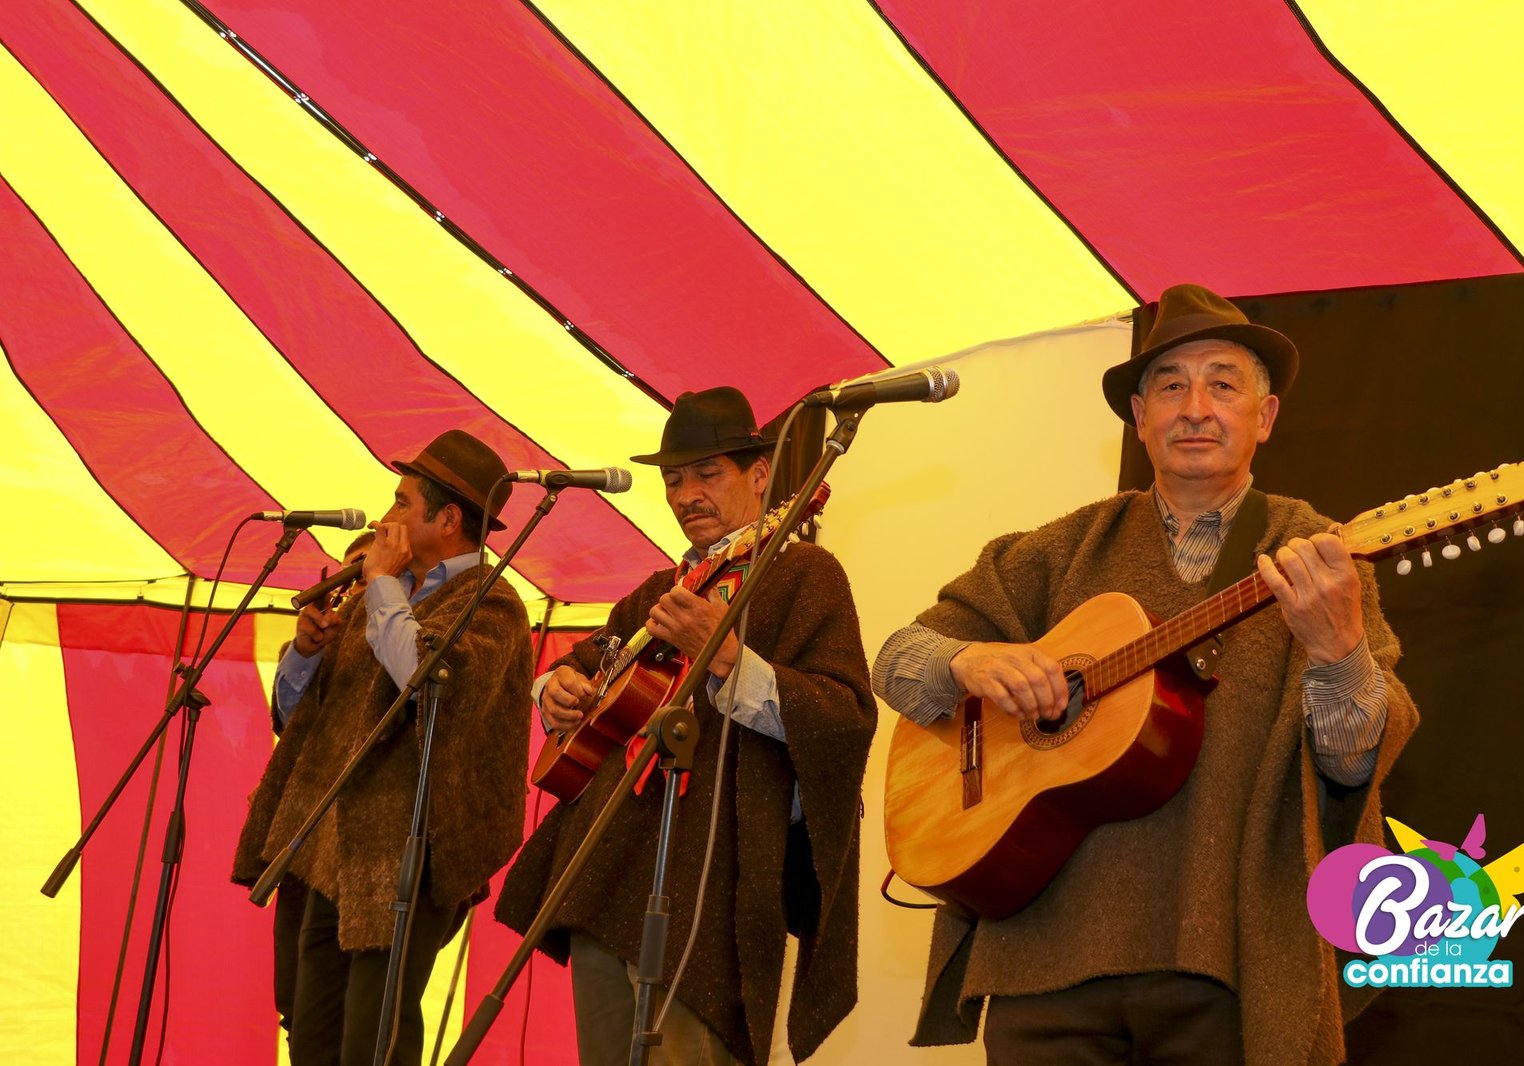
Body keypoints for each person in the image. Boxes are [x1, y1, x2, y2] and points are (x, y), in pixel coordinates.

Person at [872, 284, 1418, 1064]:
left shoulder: (1320, 556)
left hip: (1227, 960)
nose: (1195, 408)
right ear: (1138, 416)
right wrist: (970, 660)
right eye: (1170, 387)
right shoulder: (1058, 550)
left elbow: (1352, 765)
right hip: (1039, 964)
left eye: (1223, 385)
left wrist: (1340, 656)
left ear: (1264, 417)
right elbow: (897, 661)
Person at [495, 387, 877, 1066]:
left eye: (707, 474)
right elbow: (583, 664)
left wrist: (728, 659)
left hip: (713, 880)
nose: (686, 494)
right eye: (674, 480)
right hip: (607, 875)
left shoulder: (805, 576)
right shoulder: (658, 590)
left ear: (760, 476)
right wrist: (553, 690)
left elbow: (845, 717)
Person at [234, 430, 535, 1066]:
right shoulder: (382, 591)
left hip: (410, 856)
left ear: (448, 520)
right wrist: (305, 656)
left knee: (375, 1039)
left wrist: (380, 585)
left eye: (402, 502)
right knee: (310, 1034)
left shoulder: (492, 604)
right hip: (331, 848)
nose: (385, 516)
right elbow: (300, 721)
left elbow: (428, 680)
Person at [269, 529, 374, 1036]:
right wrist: (306, 652)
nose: (352, 588)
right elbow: (290, 725)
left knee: (363, 1013)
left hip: (371, 850)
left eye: (365, 573)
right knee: (298, 1006)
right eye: (346, 576)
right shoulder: (319, 644)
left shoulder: (410, 636)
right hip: (308, 841)